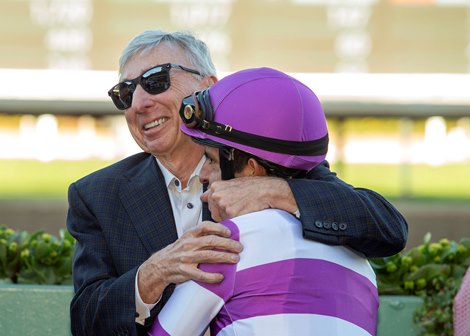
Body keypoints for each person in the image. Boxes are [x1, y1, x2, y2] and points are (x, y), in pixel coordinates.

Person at [66, 29, 406, 336]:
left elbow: (387, 229)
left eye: (156, 81)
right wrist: (153, 273)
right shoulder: (97, 194)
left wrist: (276, 191)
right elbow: (86, 320)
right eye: (125, 93)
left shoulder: (274, 165)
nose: (139, 103)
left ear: (209, 86)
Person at [149, 67, 379, 336]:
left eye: (210, 160)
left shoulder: (226, 244)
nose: (203, 174)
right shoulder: (362, 265)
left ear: (251, 169)